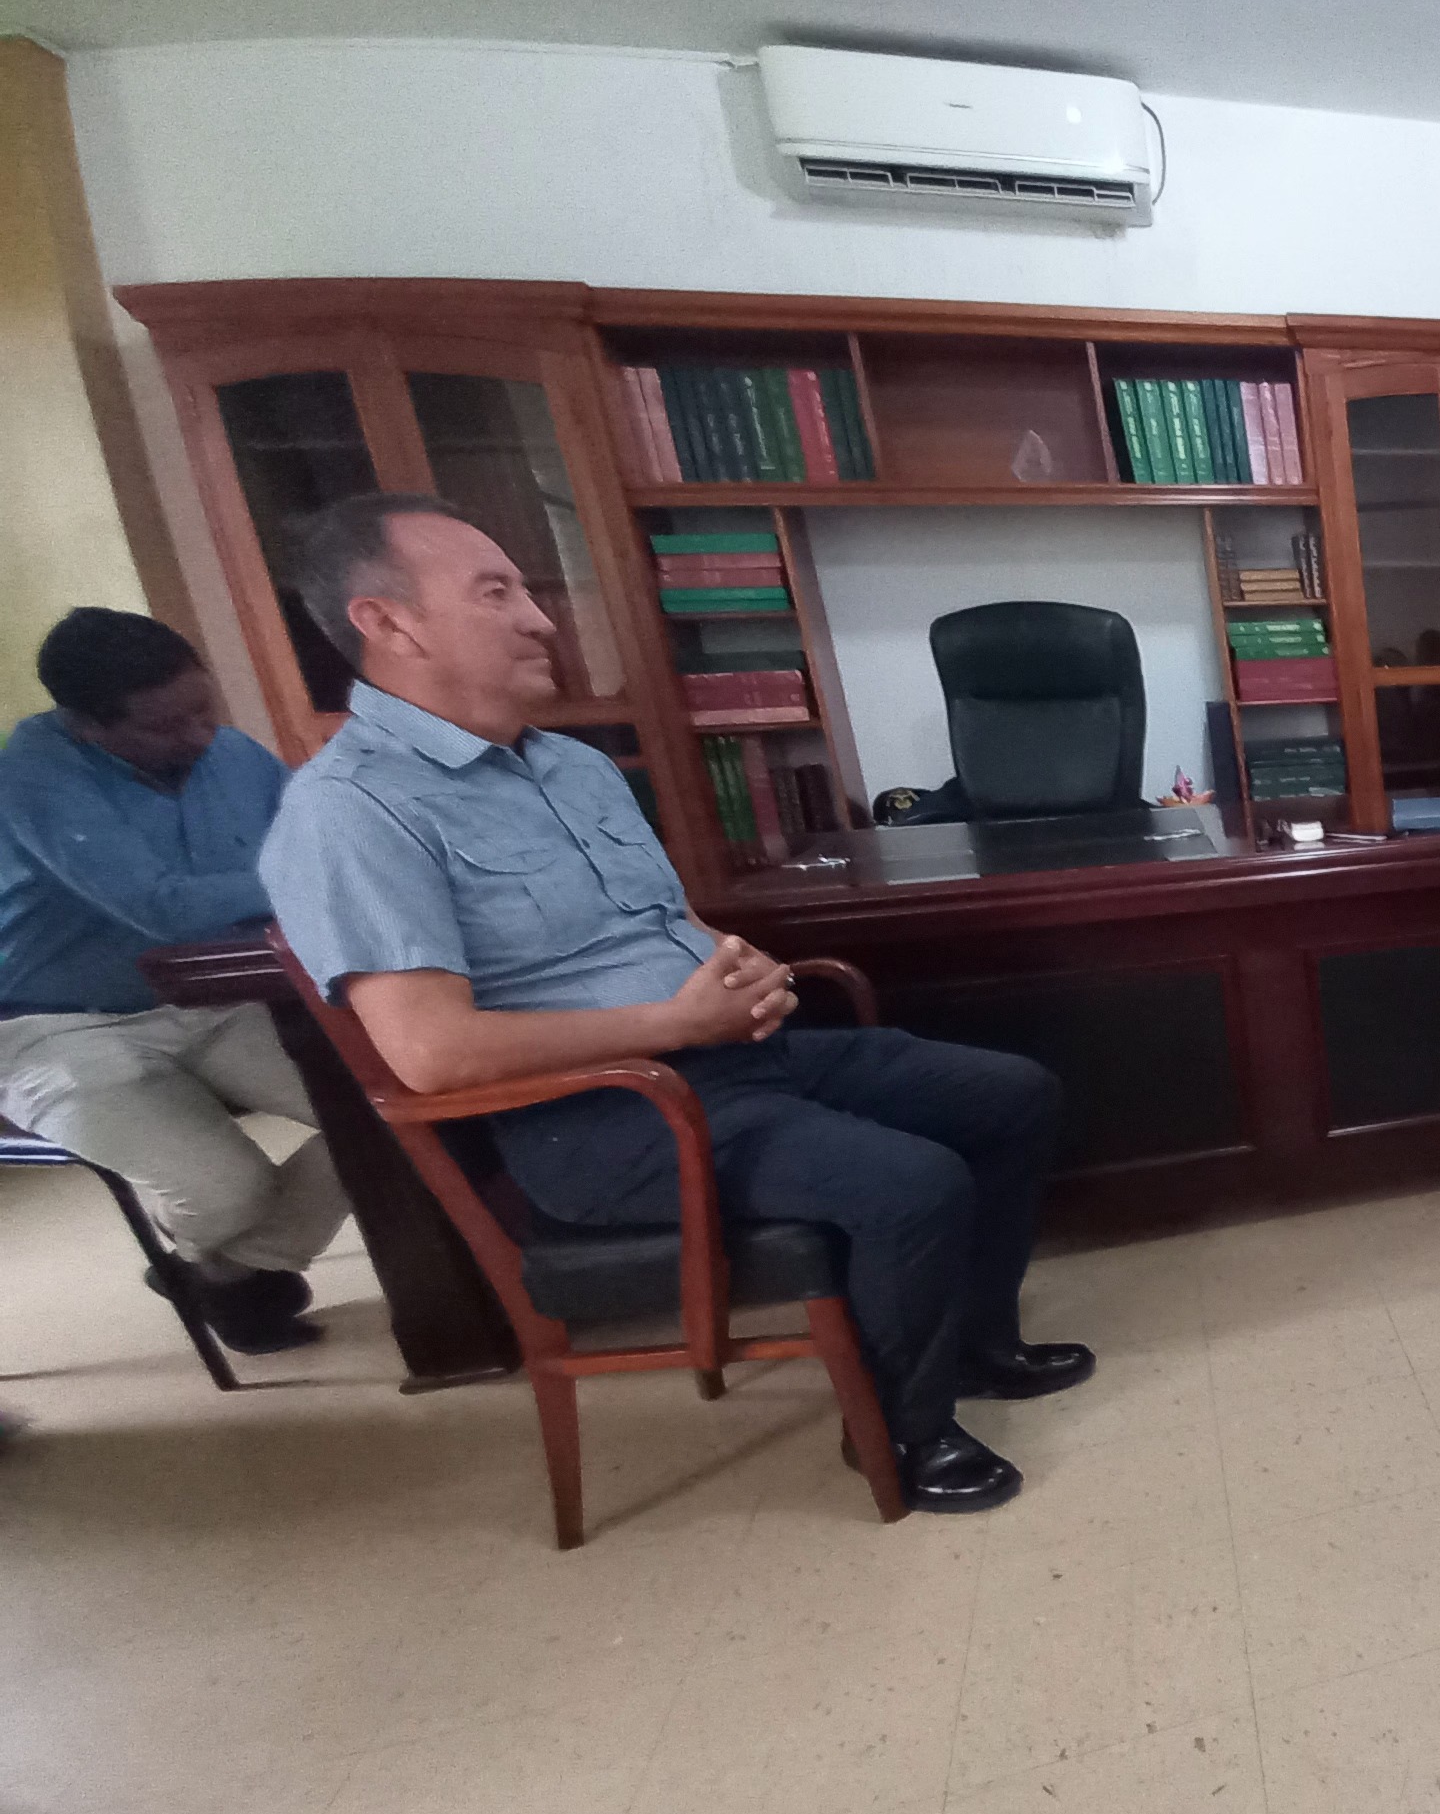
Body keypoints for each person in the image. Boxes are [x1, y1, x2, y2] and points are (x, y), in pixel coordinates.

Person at [258, 493, 1087, 1513]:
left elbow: (665, 925)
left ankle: (974, 1346)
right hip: (601, 1118)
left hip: (732, 1056)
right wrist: (677, 1024)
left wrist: (739, 970)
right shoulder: (349, 811)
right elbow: (430, 1053)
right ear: (388, 622)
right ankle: (904, 1435)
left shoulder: (573, 766)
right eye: (496, 592)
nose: (541, 619)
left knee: (1010, 1095)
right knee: (909, 1183)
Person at [0, 608, 345, 1353]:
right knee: (224, 1187)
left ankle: (223, 1272)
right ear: (85, 724)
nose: (198, 736)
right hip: (54, 1025)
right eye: (163, 726)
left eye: (203, 709)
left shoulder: (233, 754)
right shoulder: (33, 775)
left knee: (385, 1116)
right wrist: (303, 881)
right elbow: (162, 909)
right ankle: (230, 1263)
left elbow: (321, 841)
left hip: (218, 998)